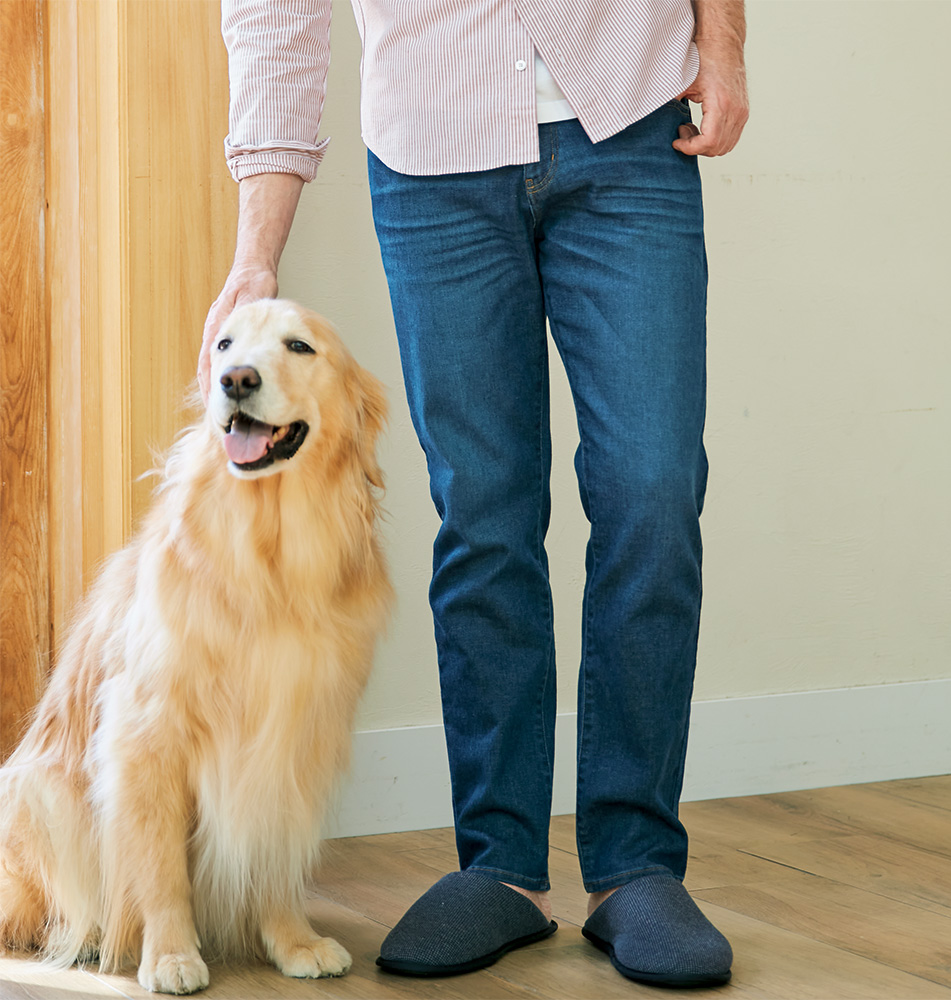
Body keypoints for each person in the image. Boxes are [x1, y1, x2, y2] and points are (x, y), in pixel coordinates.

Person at [202, 0, 748, 987]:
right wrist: (256, 249)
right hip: (431, 155)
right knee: (484, 514)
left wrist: (722, 42)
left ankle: (634, 868)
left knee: (653, 493)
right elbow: (274, 13)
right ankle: (500, 865)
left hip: (629, 122)